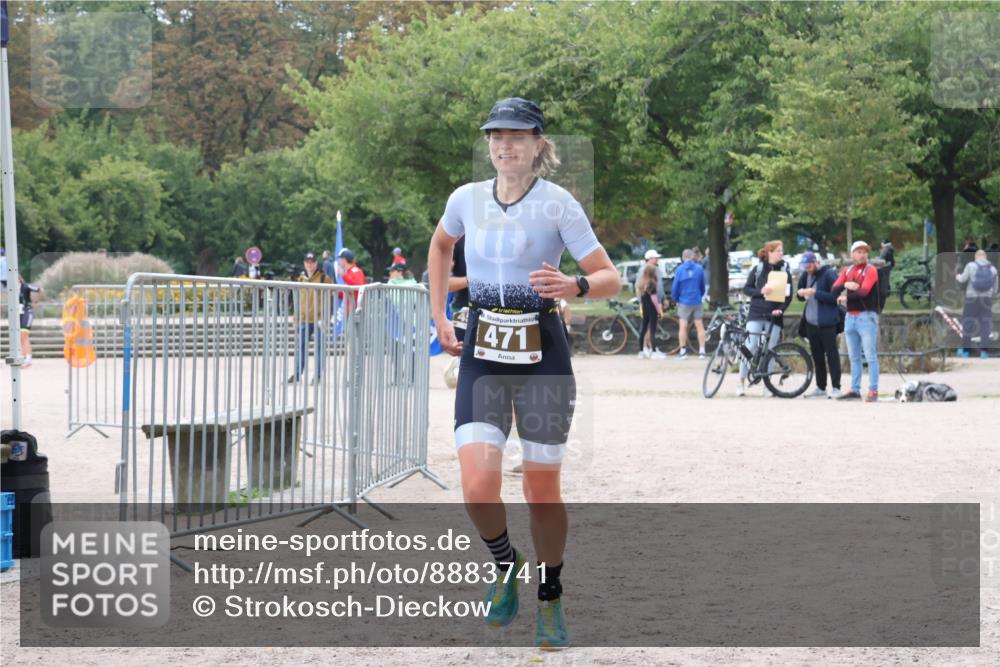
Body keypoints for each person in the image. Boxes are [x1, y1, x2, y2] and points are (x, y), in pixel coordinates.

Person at [426, 97, 618, 650]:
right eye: (495, 136)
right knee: (478, 486)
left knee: (540, 491)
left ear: (539, 144)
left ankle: (550, 593)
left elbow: (608, 276)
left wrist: (575, 286)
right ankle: (505, 564)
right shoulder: (465, 199)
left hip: (543, 355)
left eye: (516, 136)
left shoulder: (559, 205)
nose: (504, 146)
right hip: (483, 349)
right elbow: (441, 246)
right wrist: (439, 314)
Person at [738, 240, 792, 396]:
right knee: (750, 346)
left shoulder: (784, 271)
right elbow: (747, 289)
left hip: (774, 316)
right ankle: (741, 381)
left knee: (770, 350)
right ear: (770, 252)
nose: (781, 253)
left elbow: (788, 296)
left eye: (782, 251)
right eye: (778, 251)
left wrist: (780, 310)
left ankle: (768, 386)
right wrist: (761, 291)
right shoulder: (758, 269)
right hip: (756, 313)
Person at [831, 240, 881, 402]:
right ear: (852, 254)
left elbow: (864, 292)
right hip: (850, 317)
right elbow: (834, 289)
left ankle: (873, 390)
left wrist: (846, 295)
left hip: (866, 316)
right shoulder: (848, 270)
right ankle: (855, 389)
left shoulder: (871, 270)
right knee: (854, 356)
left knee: (870, 355)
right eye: (859, 252)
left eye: (865, 252)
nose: (862, 254)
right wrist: (846, 284)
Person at [796, 252, 842, 398]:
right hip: (811, 323)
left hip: (827, 322)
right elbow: (799, 296)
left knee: (832, 355)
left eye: (809, 266)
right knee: (817, 356)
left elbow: (835, 297)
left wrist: (816, 293)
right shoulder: (805, 275)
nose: (807, 269)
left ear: (816, 262)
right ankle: (821, 387)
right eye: (805, 267)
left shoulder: (829, 274)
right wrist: (801, 293)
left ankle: (836, 387)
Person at [289, 252, 333, 384]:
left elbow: (329, 298)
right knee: (300, 347)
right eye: (307, 262)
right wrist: (296, 316)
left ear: (316, 263)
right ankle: (297, 374)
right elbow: (298, 299)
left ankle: (318, 376)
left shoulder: (324, 278)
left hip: (319, 318)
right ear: (304, 263)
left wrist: (327, 317)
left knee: (319, 348)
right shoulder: (301, 279)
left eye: (312, 262)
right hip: (304, 318)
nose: (310, 264)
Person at [955, 249, 998, 358]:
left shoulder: (971, 265)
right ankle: (984, 352)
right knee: (985, 325)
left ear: (976, 257)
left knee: (968, 323)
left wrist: (957, 276)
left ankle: (965, 351)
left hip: (971, 298)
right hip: (986, 299)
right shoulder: (993, 269)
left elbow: (963, 279)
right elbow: (996, 288)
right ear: (985, 257)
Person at [671, 248, 707, 359]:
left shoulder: (680, 270)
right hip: (696, 299)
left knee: (683, 326)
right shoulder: (699, 269)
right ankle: (702, 351)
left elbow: (675, 287)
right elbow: (703, 286)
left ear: (683, 258)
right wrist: (699, 295)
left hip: (684, 300)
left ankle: (683, 351)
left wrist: (675, 298)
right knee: (700, 326)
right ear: (692, 257)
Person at [635, 248, 665, 352]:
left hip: (645, 302)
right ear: (650, 259)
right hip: (652, 302)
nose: (657, 260)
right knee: (650, 327)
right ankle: (650, 348)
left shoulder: (645, 270)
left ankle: (644, 348)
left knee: (645, 327)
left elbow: (638, 287)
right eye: (655, 258)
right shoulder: (652, 271)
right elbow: (658, 289)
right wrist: (660, 303)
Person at [17, 277, 43, 368]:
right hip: (19, 314)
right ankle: (24, 359)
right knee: (21, 337)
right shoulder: (12, 289)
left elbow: (41, 290)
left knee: (24, 335)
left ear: (18, 279)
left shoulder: (25, 286)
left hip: (27, 312)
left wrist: (35, 302)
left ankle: (28, 359)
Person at [877, 239, 894, 305]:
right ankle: (887, 291)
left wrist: (878, 259)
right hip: (888, 265)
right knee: (886, 279)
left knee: (884, 279)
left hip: (885, 266)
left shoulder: (886, 248)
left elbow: (882, 257)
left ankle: (886, 292)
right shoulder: (890, 248)